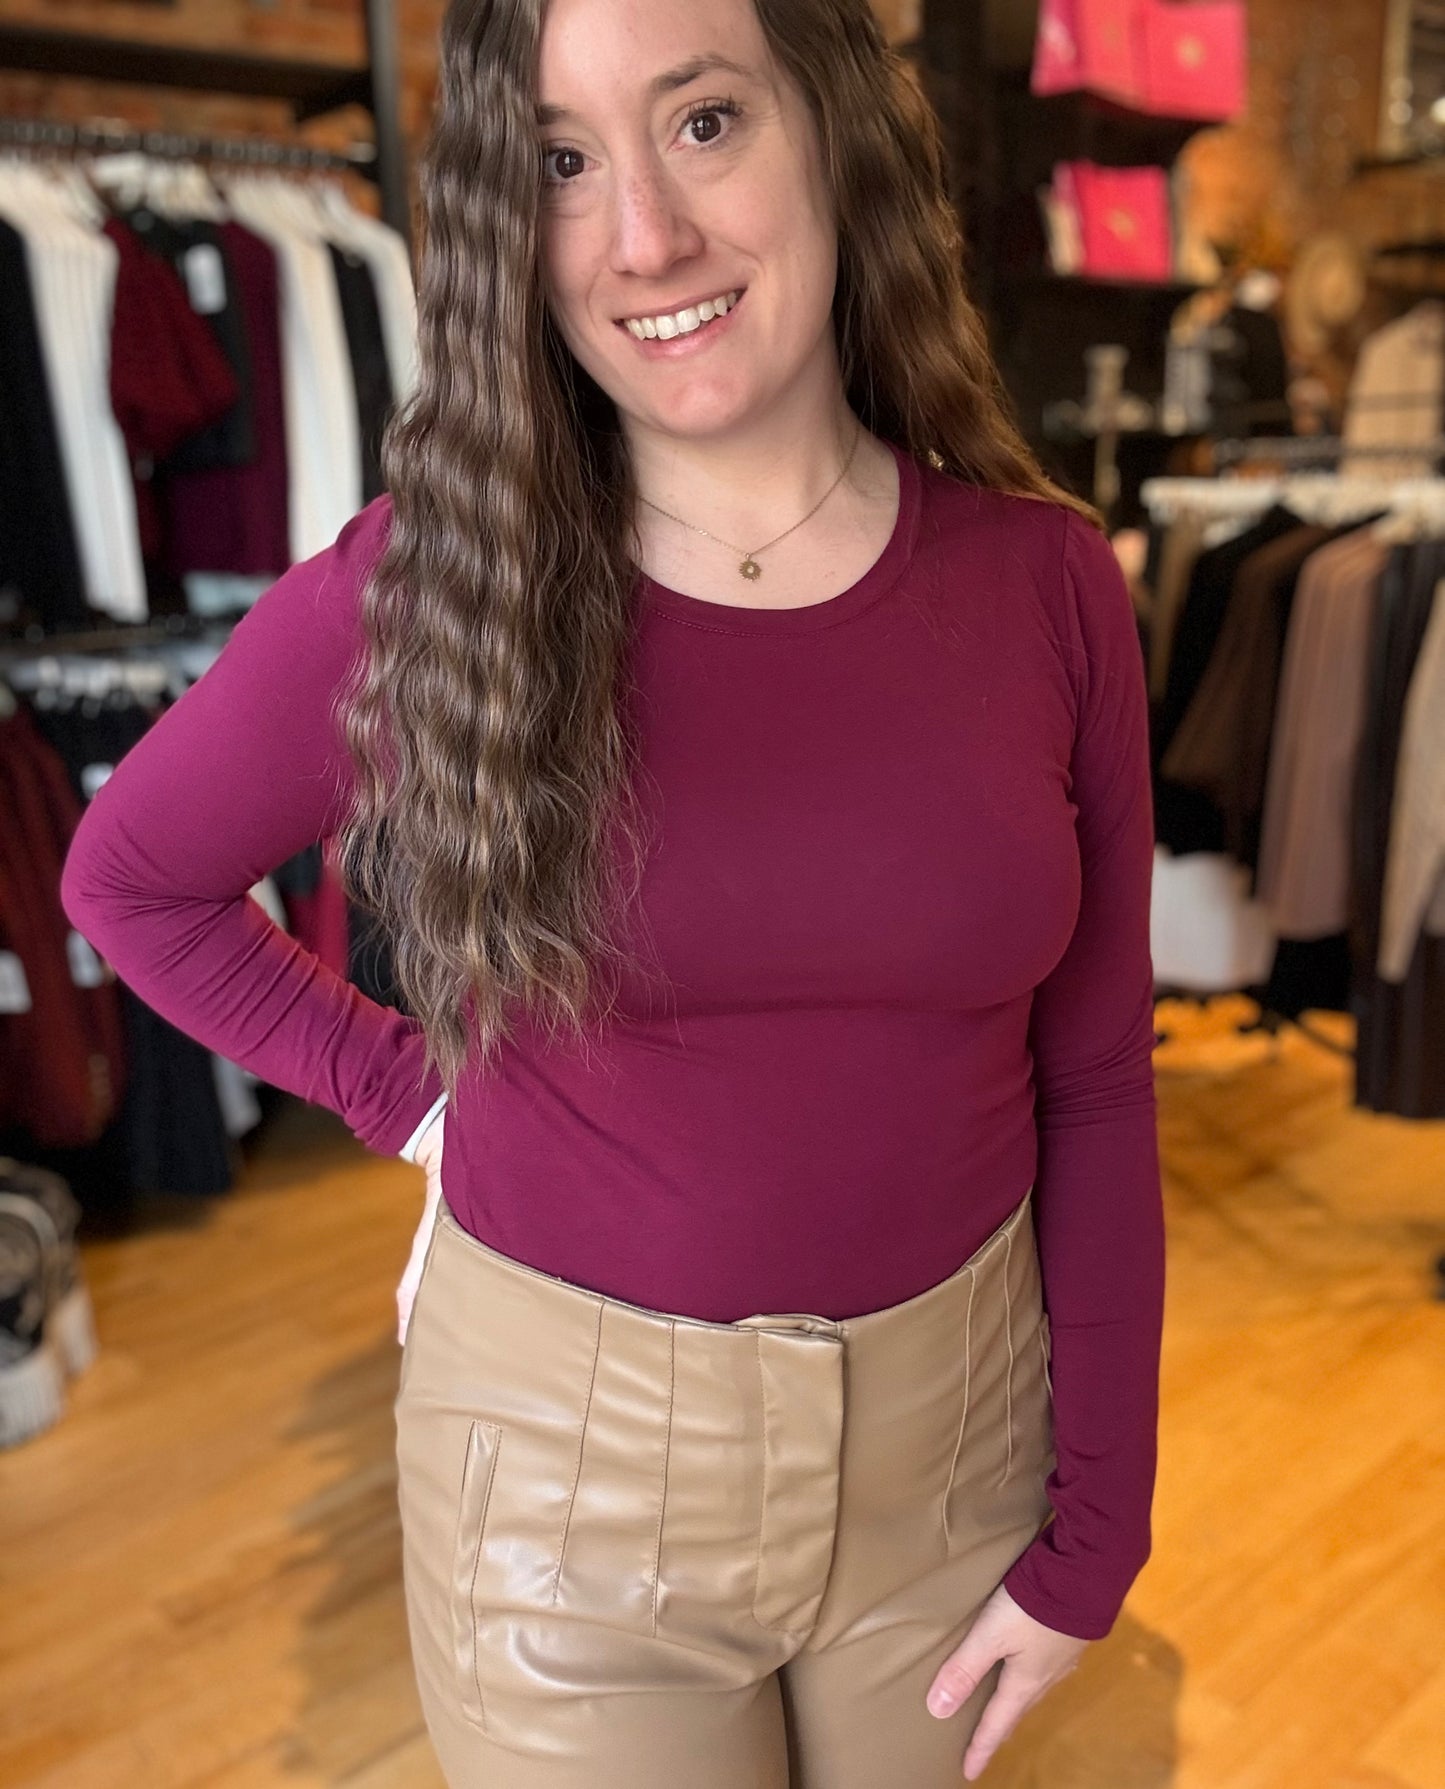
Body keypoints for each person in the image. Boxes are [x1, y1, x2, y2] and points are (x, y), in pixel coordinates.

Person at [59, 0, 1165, 1782]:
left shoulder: (1046, 587)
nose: (641, 233)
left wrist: (1098, 1524)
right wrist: (407, 1096)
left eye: (703, 121)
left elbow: (1098, 1079)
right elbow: (132, 879)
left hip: (959, 1450)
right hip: (565, 1495)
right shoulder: (437, 583)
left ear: (833, 131)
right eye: (563, 163)